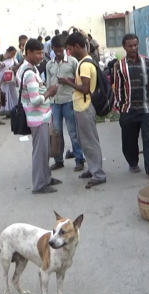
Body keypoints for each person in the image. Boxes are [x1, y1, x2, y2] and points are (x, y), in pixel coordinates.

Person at [60, 32, 107, 189]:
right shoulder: (85, 62)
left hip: (85, 106)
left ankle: (98, 174)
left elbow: (85, 88)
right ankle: (93, 169)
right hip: (81, 106)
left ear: (77, 46)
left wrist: (68, 82)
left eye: (70, 48)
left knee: (90, 141)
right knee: (84, 141)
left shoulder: (85, 65)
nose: (69, 52)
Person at [113, 34, 149, 181]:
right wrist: (119, 106)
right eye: (130, 46)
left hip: (146, 108)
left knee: (148, 140)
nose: (133, 48)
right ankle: (133, 162)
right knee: (130, 140)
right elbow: (118, 88)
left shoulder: (147, 62)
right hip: (128, 110)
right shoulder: (119, 66)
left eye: (135, 45)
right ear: (124, 47)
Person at [18, 38, 60, 194]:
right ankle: (39, 184)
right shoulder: (29, 73)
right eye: (38, 53)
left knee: (45, 151)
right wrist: (49, 92)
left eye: (42, 53)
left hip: (40, 116)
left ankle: (46, 178)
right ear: (29, 52)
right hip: (38, 117)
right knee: (40, 153)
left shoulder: (28, 68)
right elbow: (35, 100)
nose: (41, 56)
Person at [47, 34, 85, 172]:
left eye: (60, 50)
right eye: (56, 50)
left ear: (65, 48)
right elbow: (48, 84)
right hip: (55, 102)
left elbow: (79, 80)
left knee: (73, 132)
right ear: (52, 48)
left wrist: (67, 81)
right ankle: (58, 160)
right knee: (57, 133)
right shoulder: (49, 64)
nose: (58, 53)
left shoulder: (72, 62)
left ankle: (79, 159)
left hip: (69, 100)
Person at [0, 46, 20, 116]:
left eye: (14, 54)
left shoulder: (13, 59)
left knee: (13, 93)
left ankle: (14, 108)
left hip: (11, 79)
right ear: (8, 52)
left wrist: (13, 68)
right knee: (5, 93)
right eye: (12, 53)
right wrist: (1, 66)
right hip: (3, 79)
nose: (13, 55)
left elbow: (18, 67)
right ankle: (5, 110)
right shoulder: (0, 57)